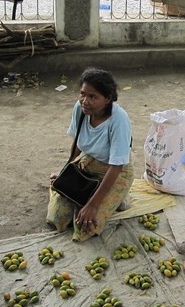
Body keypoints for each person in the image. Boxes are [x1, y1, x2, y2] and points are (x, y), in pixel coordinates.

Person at [47, 68, 133, 242]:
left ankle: (120, 196)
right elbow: (78, 144)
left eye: (93, 97)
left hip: (114, 172)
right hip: (87, 163)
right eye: (82, 94)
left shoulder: (119, 120)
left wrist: (92, 206)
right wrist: (66, 172)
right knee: (57, 220)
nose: (85, 101)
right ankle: (100, 197)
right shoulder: (80, 109)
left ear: (107, 99)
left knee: (85, 227)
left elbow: (116, 166)